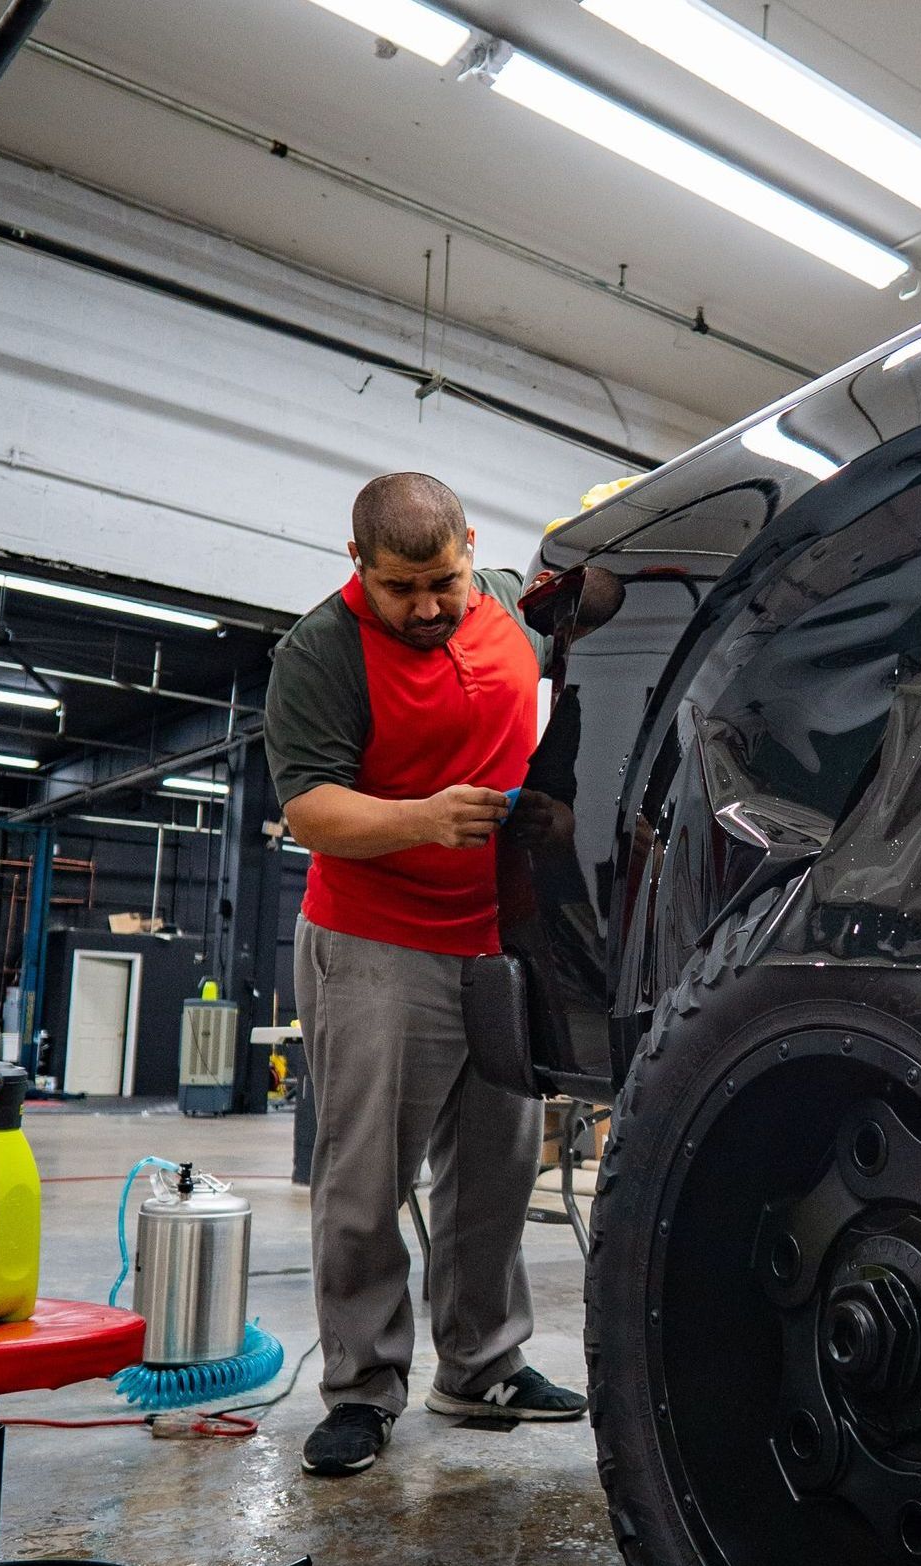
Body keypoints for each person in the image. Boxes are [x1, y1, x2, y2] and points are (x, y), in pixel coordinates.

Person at [265, 471, 586, 1477]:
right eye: (402, 588)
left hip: (495, 944)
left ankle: (482, 1365)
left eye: (441, 582)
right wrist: (422, 818)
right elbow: (310, 810)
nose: (427, 607)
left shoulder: (502, 602)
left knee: (493, 1171)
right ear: (358, 564)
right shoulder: (321, 651)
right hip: (376, 944)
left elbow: (592, 607)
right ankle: (362, 1388)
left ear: (470, 552)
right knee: (364, 1182)